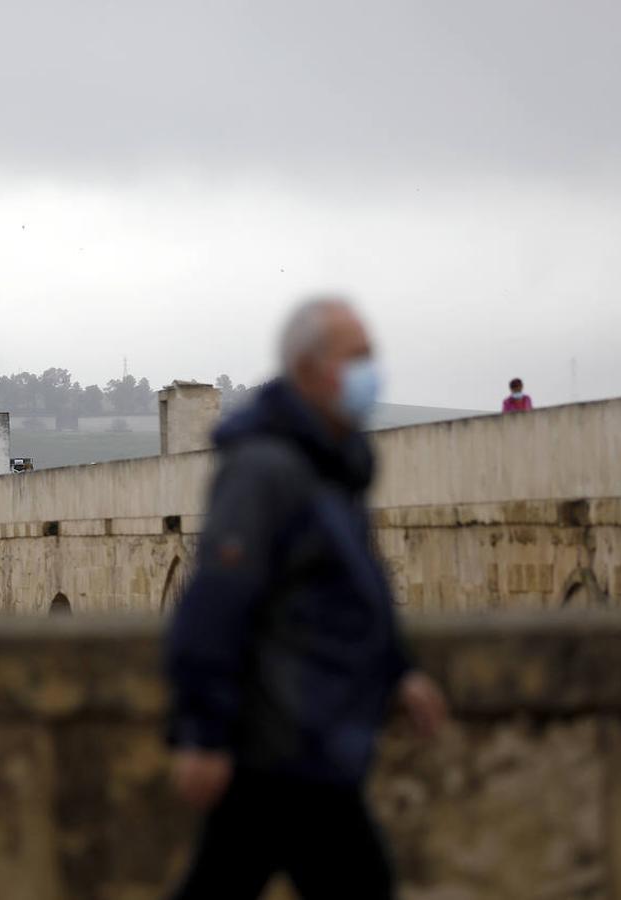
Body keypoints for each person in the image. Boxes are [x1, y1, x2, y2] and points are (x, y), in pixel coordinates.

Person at [165, 297, 448, 899]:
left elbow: (347, 592)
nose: (372, 371)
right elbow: (215, 603)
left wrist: (396, 670)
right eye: (358, 357)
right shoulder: (266, 469)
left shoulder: (330, 467)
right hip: (284, 743)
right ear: (309, 367)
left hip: (307, 742)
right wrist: (204, 734)